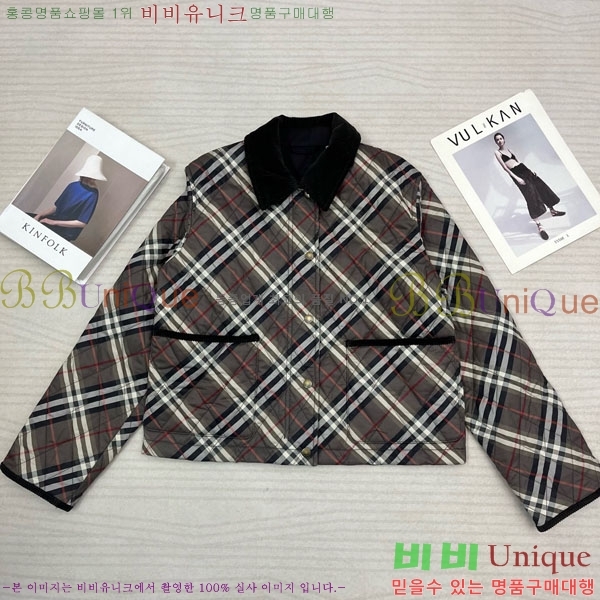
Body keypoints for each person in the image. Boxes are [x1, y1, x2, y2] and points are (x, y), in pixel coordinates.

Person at [493, 132, 564, 240]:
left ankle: (552, 210)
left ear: (504, 139)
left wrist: (530, 171)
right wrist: (517, 178)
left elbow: (519, 161)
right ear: (496, 142)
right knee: (530, 196)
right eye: (497, 139)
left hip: (525, 170)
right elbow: (505, 168)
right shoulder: (497, 153)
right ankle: (539, 225)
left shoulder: (510, 150)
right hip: (517, 174)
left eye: (500, 138)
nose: (499, 141)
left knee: (542, 188)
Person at [33, 155, 107, 242]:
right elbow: (57, 208)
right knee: (30, 219)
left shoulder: (92, 194)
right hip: (55, 221)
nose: (92, 178)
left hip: (66, 231)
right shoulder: (72, 185)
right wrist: (39, 215)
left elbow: (81, 223)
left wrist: (54, 222)